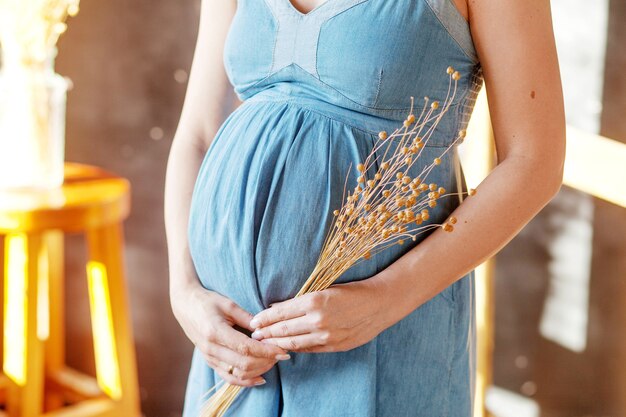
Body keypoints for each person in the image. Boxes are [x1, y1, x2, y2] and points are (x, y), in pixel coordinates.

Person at [164, 0, 565, 415]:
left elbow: (534, 162)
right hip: (233, 341)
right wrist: (185, 291)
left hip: (380, 330)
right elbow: (198, 133)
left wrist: (384, 300)